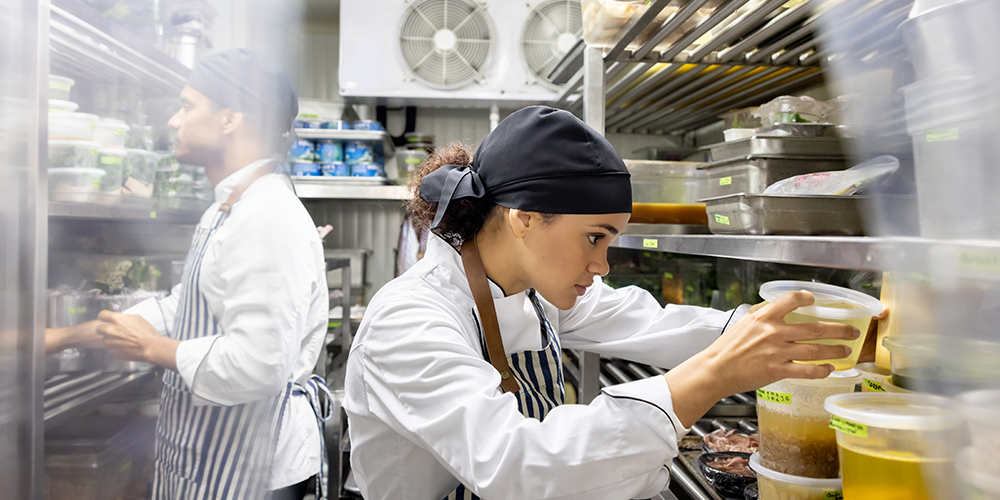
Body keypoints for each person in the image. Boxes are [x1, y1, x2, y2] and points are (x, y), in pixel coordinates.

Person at [344, 106, 873, 500]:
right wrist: (712, 376)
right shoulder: (410, 320)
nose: (603, 266)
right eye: (594, 238)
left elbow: (653, 323)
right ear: (523, 217)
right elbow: (518, 465)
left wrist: (796, 332)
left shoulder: (532, 287)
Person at [45, 49, 331, 500]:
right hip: (217, 456)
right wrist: (62, 337)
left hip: (252, 469)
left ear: (230, 118)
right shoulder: (230, 205)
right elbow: (187, 305)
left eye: (187, 106)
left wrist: (151, 348)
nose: (174, 121)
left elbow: (259, 365)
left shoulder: (267, 215)